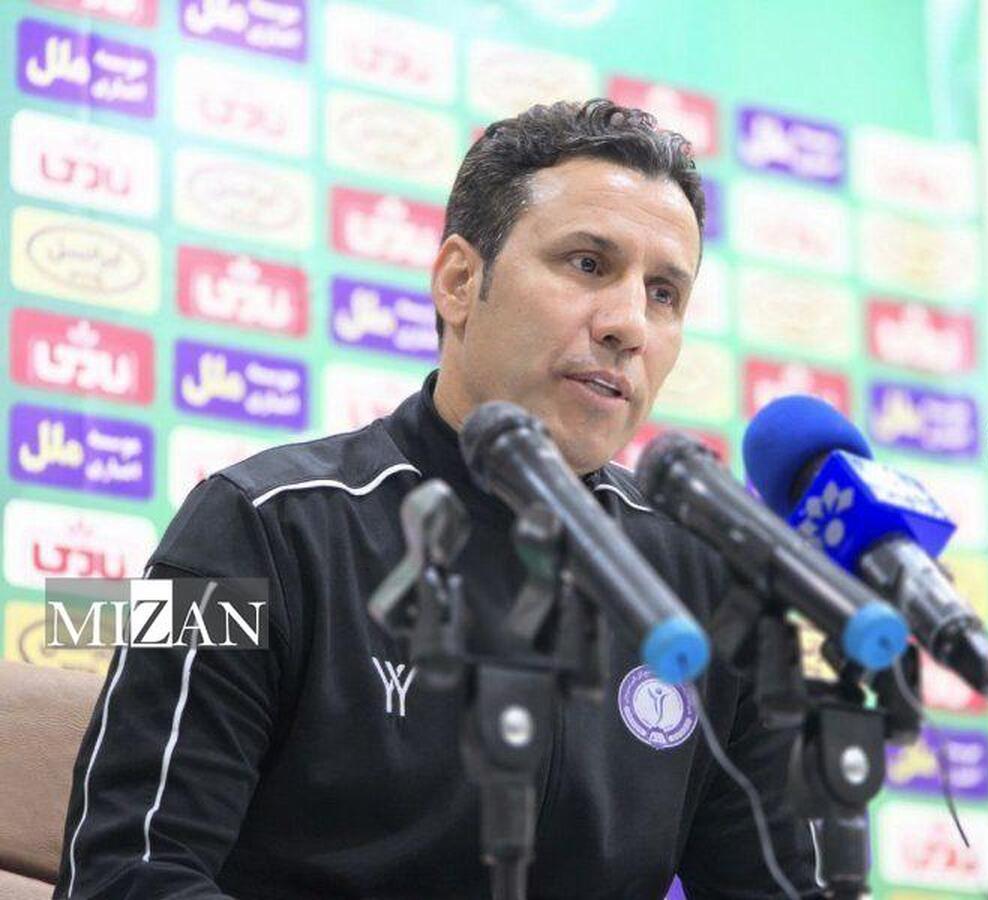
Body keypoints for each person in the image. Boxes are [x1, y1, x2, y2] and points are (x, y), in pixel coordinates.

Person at [54, 99, 820, 899]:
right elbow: (126, 873)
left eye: (664, 294)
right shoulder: (247, 527)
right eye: (589, 264)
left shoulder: (712, 589)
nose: (629, 323)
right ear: (459, 282)